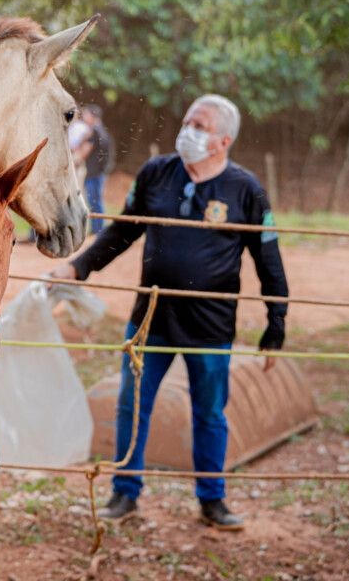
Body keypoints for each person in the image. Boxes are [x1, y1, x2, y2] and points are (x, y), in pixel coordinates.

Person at [48, 94, 288, 531]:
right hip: (151, 321)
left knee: (209, 413)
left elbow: (268, 260)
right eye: (187, 122)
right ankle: (125, 493)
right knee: (132, 405)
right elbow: (123, 231)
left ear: (223, 140)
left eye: (200, 126)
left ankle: (212, 500)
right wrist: (78, 266)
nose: (188, 132)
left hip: (210, 328)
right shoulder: (157, 174)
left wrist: (276, 324)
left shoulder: (246, 190)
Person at [73, 104, 114, 235]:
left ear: (92, 116)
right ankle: (98, 229)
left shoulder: (94, 131)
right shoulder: (102, 130)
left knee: (94, 200)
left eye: (86, 114)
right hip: (99, 171)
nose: (84, 117)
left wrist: (75, 161)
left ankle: (98, 230)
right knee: (96, 200)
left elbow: (86, 149)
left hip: (94, 172)